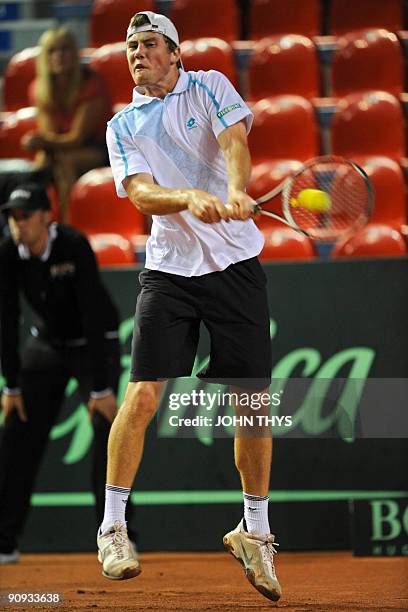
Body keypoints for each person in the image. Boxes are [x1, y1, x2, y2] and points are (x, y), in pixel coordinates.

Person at [96, 11, 282, 602]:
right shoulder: (122, 123)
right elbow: (142, 194)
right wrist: (188, 197)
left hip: (236, 268)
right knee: (143, 395)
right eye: (131, 47)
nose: (137, 54)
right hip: (169, 272)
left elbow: (234, 142)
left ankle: (256, 532)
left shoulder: (210, 86)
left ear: (176, 53)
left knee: (251, 403)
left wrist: (232, 189)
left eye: (149, 45)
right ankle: (113, 527)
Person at [0, 183, 135, 564]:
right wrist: (11, 384)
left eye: (25, 216)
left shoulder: (73, 245)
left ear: (46, 216)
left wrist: (101, 387)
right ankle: (4, 541)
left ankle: (120, 534)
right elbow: (7, 320)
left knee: (109, 433)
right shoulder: (9, 253)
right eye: (13, 217)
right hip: (47, 344)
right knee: (17, 431)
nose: (18, 224)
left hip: (93, 343)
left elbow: (92, 312)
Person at [21, 28, 112, 222]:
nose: (59, 56)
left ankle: (67, 225)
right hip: (63, 149)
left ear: (74, 53)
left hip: (100, 148)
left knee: (64, 162)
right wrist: (38, 142)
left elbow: (77, 137)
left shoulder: (91, 82)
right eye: (52, 51)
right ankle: (34, 222)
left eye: (65, 50)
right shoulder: (38, 88)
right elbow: (49, 135)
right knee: (43, 161)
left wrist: (41, 141)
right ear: (45, 57)